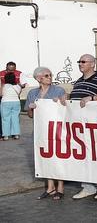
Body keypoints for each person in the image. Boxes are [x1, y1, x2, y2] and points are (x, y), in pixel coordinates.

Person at [70, 54, 97, 200]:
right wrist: (66, 97)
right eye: (79, 61)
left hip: (96, 126)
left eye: (83, 61)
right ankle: (88, 186)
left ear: (92, 64)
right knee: (83, 157)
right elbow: (74, 99)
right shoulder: (78, 81)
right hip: (79, 126)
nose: (80, 64)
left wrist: (92, 98)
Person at [26, 66, 67, 200]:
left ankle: (60, 187)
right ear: (39, 78)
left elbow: (66, 107)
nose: (50, 77)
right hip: (41, 131)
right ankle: (50, 187)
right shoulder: (32, 93)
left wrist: (61, 101)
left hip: (57, 129)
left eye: (50, 75)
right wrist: (31, 109)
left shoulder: (58, 90)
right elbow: (30, 115)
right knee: (46, 157)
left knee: (58, 157)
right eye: (47, 76)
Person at [1, 72, 22, 140]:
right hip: (16, 102)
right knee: (15, 118)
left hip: (5, 102)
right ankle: (16, 134)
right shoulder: (18, 86)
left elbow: (1, 94)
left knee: (5, 119)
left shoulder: (4, 86)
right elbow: (19, 93)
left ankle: (6, 135)